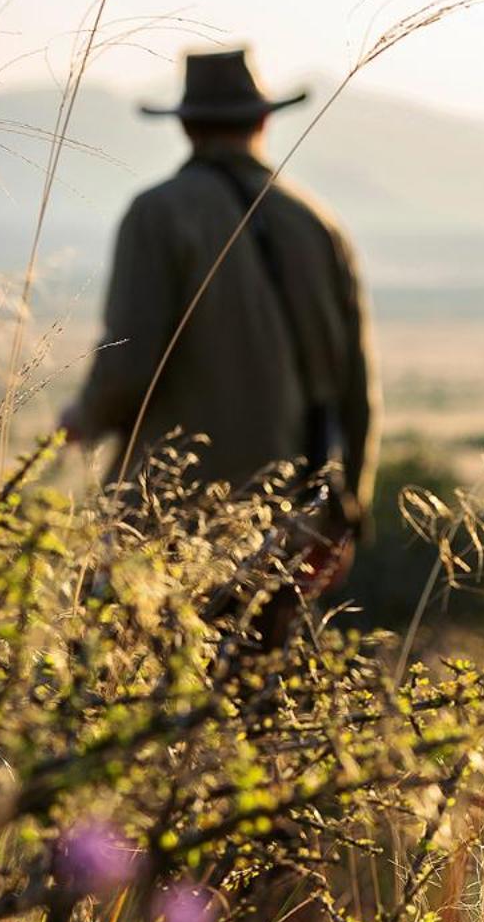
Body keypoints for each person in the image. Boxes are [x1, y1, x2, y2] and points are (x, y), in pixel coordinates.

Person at [61, 48, 377, 636]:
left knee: (139, 698)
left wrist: (84, 416)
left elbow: (127, 367)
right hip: (294, 519)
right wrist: (347, 513)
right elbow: (357, 386)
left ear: (184, 124)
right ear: (262, 120)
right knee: (256, 699)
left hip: (169, 518)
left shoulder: (157, 214)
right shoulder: (318, 222)